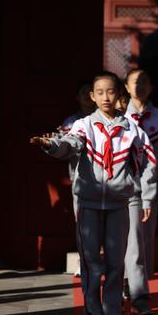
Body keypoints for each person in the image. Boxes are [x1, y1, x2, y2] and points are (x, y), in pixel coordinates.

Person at [31, 71, 157, 315]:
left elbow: (147, 163)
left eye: (110, 92)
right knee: (91, 264)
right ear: (92, 96)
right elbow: (69, 144)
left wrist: (140, 191)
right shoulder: (84, 125)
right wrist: (50, 145)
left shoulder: (133, 130)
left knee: (115, 263)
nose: (105, 98)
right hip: (89, 203)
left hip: (118, 204)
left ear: (119, 94)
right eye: (99, 93)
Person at [123, 68, 158, 314]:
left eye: (144, 82)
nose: (139, 86)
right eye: (135, 82)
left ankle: (137, 290)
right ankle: (130, 288)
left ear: (151, 87)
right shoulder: (120, 116)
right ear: (126, 87)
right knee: (122, 240)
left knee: (142, 241)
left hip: (148, 187)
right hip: (119, 187)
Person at [57, 81, 96, 223]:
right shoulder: (70, 122)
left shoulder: (105, 120)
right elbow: (62, 152)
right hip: (80, 179)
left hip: (108, 181)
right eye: (83, 92)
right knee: (84, 224)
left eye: (89, 92)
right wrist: (53, 144)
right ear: (77, 98)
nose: (87, 95)